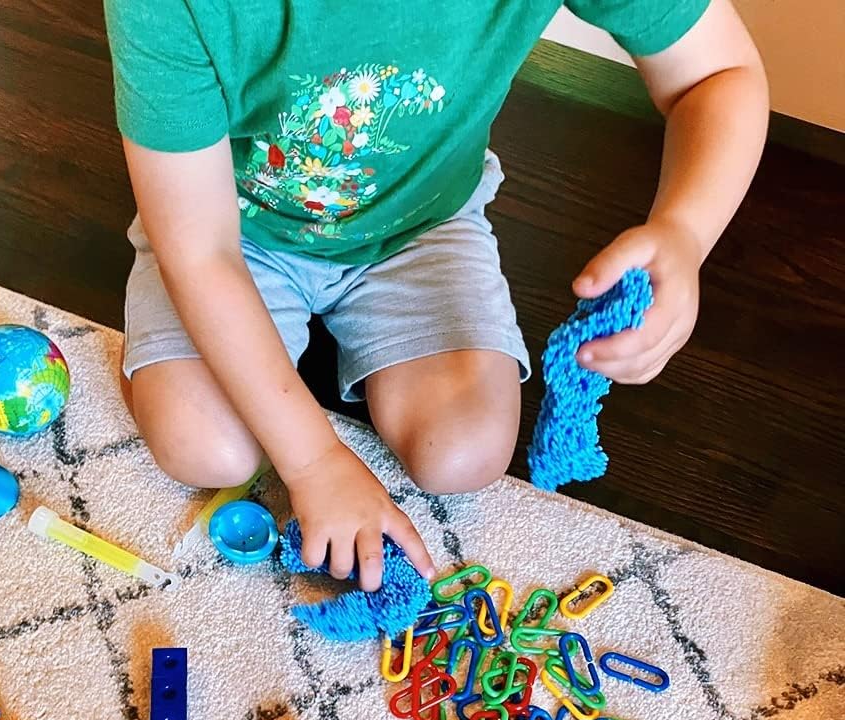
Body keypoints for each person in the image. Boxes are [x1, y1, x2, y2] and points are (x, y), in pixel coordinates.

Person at [104, 0, 768, 589]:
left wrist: (685, 231)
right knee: (204, 446)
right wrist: (313, 463)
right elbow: (201, 249)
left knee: (466, 451)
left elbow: (719, 74)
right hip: (231, 227)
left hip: (422, 224)